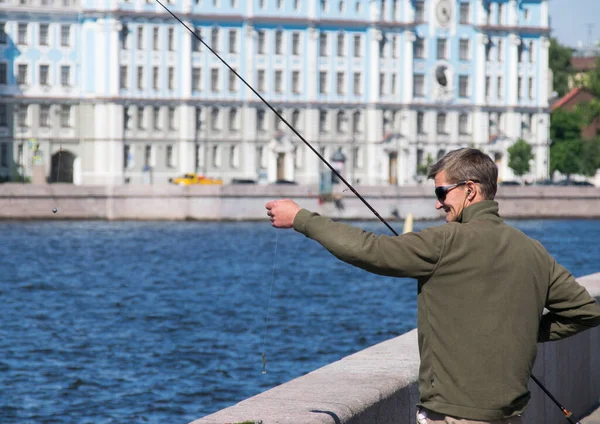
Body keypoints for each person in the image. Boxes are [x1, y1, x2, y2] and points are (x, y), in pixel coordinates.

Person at [265, 148, 600, 424]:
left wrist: (301, 219)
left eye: (442, 192)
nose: (438, 203)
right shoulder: (532, 250)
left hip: (453, 415)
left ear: (470, 190)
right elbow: (585, 311)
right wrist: (525, 330)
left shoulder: (445, 242)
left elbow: (371, 250)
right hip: (511, 414)